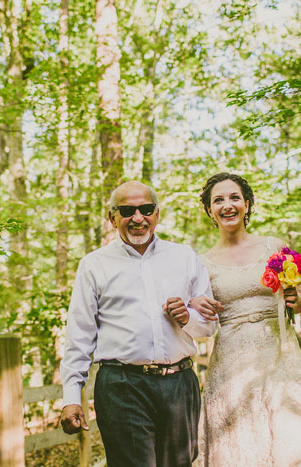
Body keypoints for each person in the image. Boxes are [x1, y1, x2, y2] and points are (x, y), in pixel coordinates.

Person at [60, 181, 219, 467]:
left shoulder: (185, 258)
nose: (137, 218)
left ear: (157, 214)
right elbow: (79, 336)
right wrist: (71, 396)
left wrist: (186, 317)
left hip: (179, 385)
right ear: (113, 218)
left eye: (146, 209)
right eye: (127, 210)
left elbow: (208, 327)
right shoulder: (94, 265)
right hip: (122, 386)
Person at [190, 172, 301, 466]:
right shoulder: (201, 263)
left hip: (279, 353)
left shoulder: (274, 246)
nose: (227, 205)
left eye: (234, 198)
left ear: (247, 204)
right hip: (231, 359)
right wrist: (194, 304)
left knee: (289, 432)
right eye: (218, 200)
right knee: (241, 438)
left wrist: (296, 300)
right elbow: (200, 320)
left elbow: (297, 298)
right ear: (209, 210)